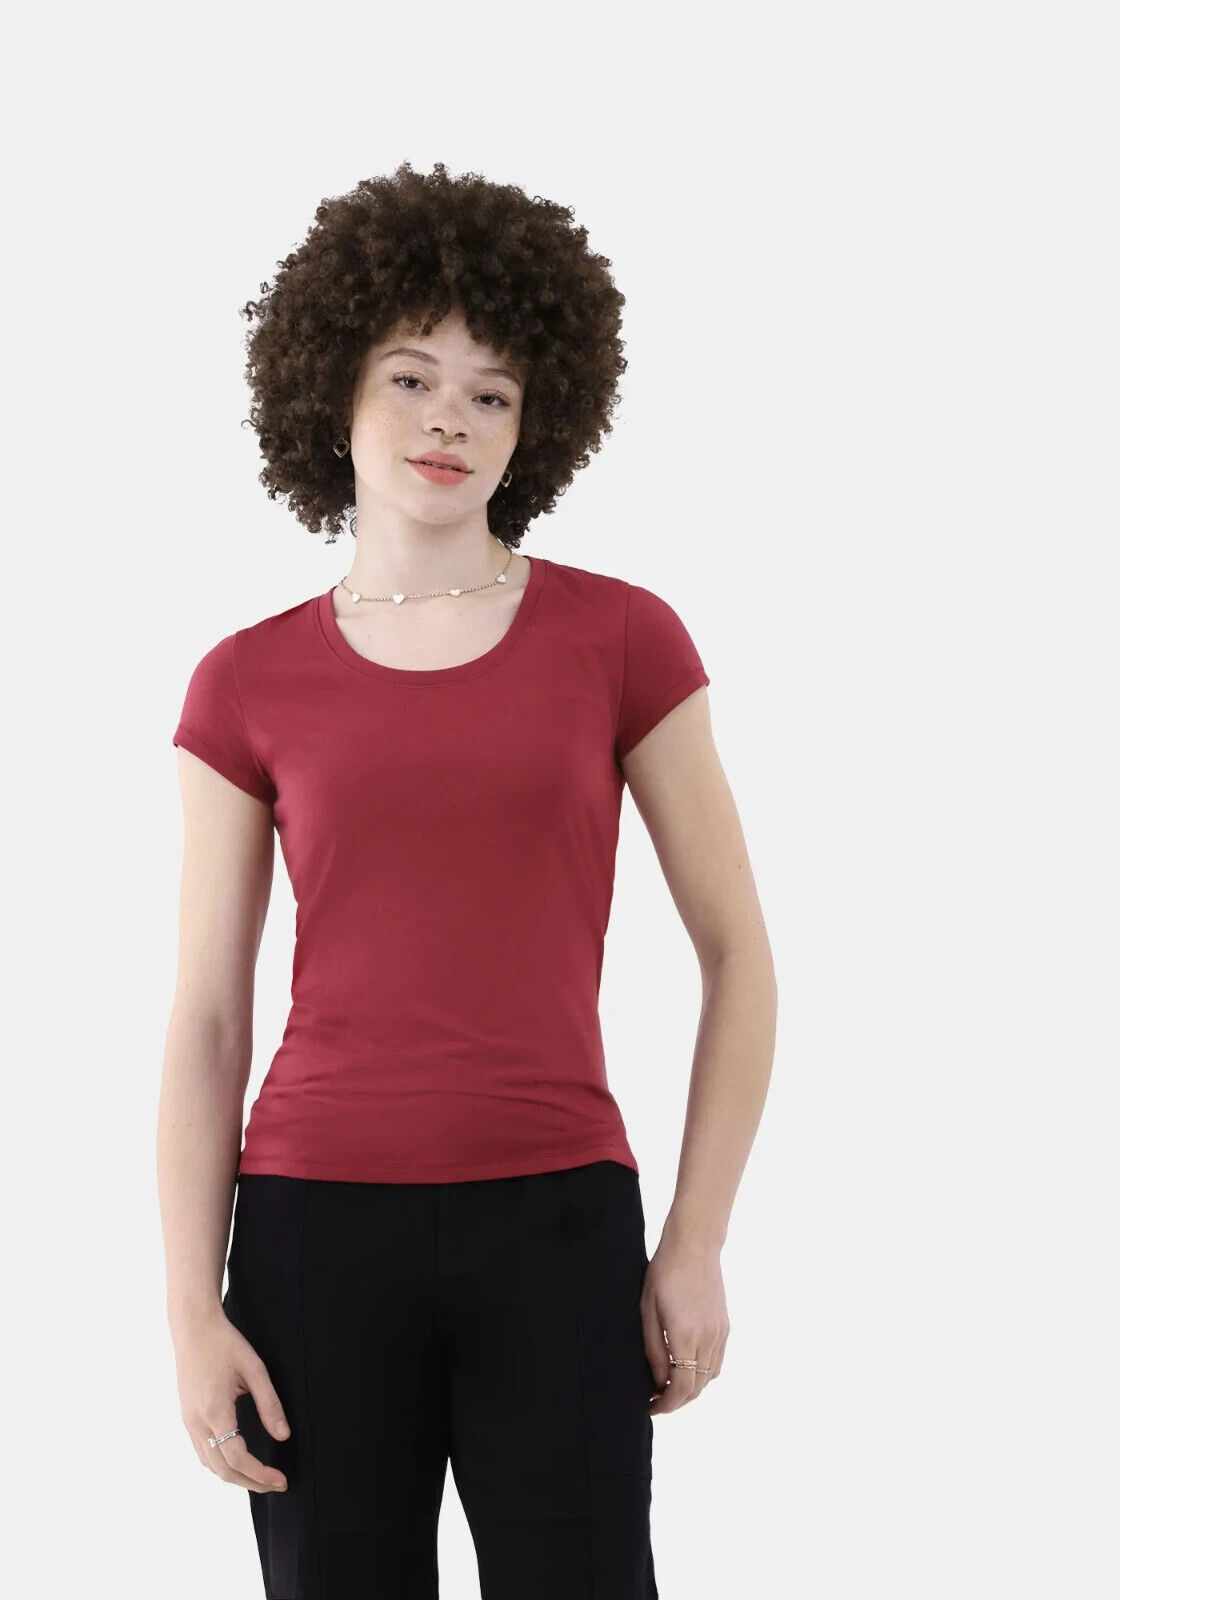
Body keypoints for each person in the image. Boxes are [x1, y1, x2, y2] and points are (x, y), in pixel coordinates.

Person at [158, 161, 777, 1599]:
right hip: (313, 1229)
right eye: (412, 377)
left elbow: (739, 952)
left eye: (492, 393)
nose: (450, 418)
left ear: (534, 422)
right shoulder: (244, 681)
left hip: (557, 1221)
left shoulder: (623, 640)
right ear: (333, 387)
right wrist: (191, 1307)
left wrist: (695, 1240)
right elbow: (207, 1017)